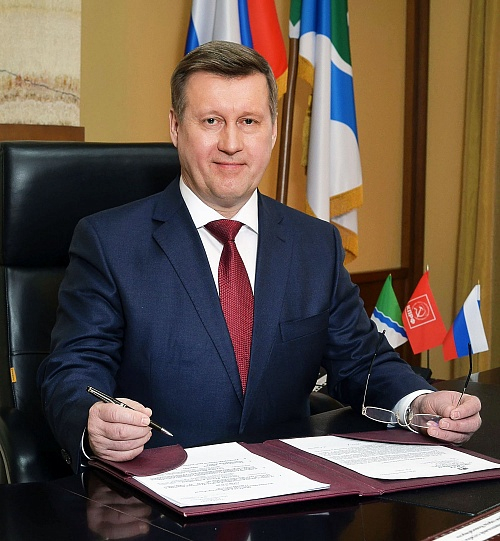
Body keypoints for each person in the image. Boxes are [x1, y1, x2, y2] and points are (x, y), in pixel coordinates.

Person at [37, 41, 481, 472]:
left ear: (272, 130)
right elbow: (74, 369)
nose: (231, 143)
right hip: (161, 491)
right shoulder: (109, 242)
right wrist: (94, 421)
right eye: (211, 120)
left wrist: (419, 403)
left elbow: (361, 362)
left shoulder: (316, 245)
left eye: (248, 121)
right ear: (175, 127)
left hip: (291, 492)